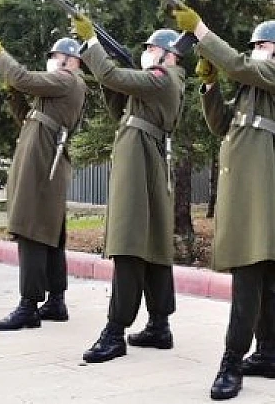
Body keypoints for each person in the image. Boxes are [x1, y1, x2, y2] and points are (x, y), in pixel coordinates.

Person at [172, 7, 275, 401]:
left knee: (250, 274)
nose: (258, 51)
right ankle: (268, 353)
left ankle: (232, 360)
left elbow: (238, 65)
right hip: (247, 187)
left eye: (264, 45)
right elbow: (222, 125)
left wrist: (201, 32)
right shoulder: (254, 86)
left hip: (261, 185)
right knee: (262, 271)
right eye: (256, 46)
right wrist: (210, 86)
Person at [72, 20, 186, 363]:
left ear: (169, 55)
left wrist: (91, 41)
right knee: (150, 243)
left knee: (128, 244)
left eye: (152, 49)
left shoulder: (163, 78)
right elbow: (117, 106)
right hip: (142, 160)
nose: (146, 53)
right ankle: (159, 324)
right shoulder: (154, 84)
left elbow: (110, 76)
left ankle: (114, 330)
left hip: (141, 163)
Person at [0, 35, 86, 331]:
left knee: (32, 230)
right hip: (41, 157)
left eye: (56, 56)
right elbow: (28, 118)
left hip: (43, 162)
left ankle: (29, 305)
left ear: (70, 60)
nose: (52, 60)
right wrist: (12, 92)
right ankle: (55, 300)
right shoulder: (57, 88)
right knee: (48, 233)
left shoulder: (68, 80)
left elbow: (23, 77)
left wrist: (0, 55)